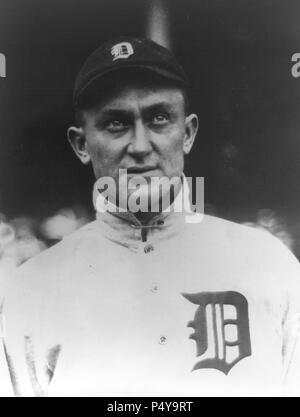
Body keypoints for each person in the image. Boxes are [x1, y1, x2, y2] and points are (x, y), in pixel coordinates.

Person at [2, 36, 300, 397]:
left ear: (187, 133)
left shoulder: (268, 265)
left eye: (159, 118)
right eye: (116, 123)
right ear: (81, 145)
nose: (140, 146)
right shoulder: (31, 291)